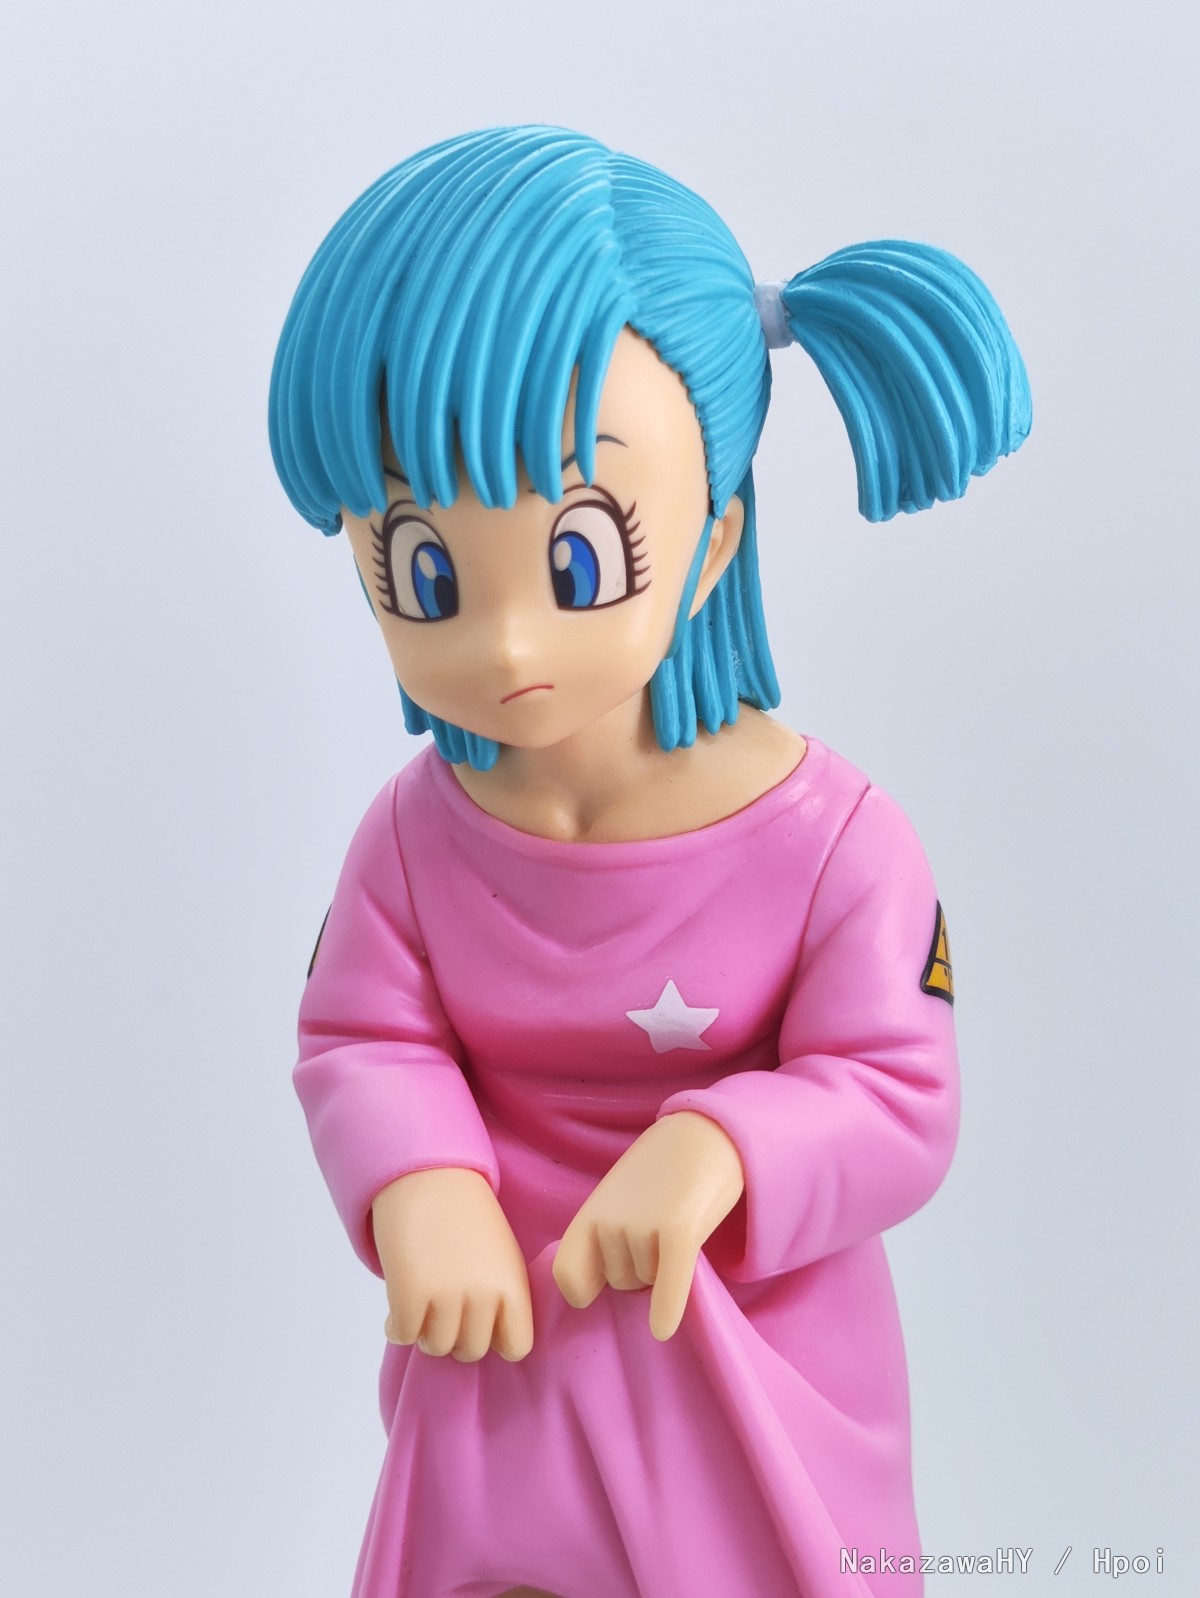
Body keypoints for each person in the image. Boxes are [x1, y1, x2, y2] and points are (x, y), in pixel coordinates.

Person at [268, 125, 1030, 1598]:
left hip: (740, 1353)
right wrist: (421, 1181)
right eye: (423, 570)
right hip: (501, 1346)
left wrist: (728, 1146)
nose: (502, 643)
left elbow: (900, 1090)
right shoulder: (414, 838)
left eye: (576, 561)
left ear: (713, 540)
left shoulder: (838, 843)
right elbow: (360, 1031)